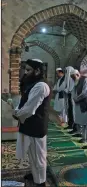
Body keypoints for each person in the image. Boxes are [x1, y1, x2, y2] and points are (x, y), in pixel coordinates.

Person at [13, 59, 50, 187]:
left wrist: (16, 114)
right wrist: (17, 110)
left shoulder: (41, 86)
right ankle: (35, 174)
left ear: (38, 71)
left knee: (38, 155)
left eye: (29, 70)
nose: (26, 72)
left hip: (36, 126)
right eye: (26, 69)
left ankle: (41, 182)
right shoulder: (32, 84)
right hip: (28, 124)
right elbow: (24, 100)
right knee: (31, 153)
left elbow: (29, 109)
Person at [70, 69, 87, 143]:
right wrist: (74, 98)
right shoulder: (76, 81)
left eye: (73, 77)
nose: (72, 79)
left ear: (77, 75)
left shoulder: (86, 80)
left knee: (84, 121)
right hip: (77, 103)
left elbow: (85, 93)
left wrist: (76, 98)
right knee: (79, 120)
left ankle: (85, 138)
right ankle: (80, 133)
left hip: (83, 104)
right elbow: (73, 91)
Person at [63, 66, 75, 130]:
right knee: (69, 110)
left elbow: (72, 88)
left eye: (67, 71)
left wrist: (68, 90)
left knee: (72, 111)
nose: (66, 73)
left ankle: (72, 125)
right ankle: (69, 124)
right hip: (68, 96)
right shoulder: (67, 78)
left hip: (72, 97)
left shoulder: (72, 78)